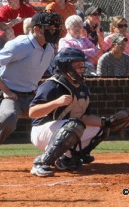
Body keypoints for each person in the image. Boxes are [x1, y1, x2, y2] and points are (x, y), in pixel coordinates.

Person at [0, 11, 62, 172]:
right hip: (11, 93)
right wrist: (5, 90)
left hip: (32, 95)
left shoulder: (50, 47)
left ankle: (63, 156)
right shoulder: (20, 44)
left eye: (55, 26)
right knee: (8, 117)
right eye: (50, 27)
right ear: (38, 29)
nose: (54, 30)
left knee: (62, 112)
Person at [29, 48, 108, 176]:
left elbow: (85, 117)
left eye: (82, 65)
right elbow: (32, 112)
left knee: (101, 127)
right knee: (74, 125)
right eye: (77, 65)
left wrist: (107, 122)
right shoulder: (52, 85)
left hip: (65, 127)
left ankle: (68, 159)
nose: (81, 69)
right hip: (42, 130)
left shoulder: (82, 87)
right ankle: (41, 163)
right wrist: (56, 102)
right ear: (65, 66)